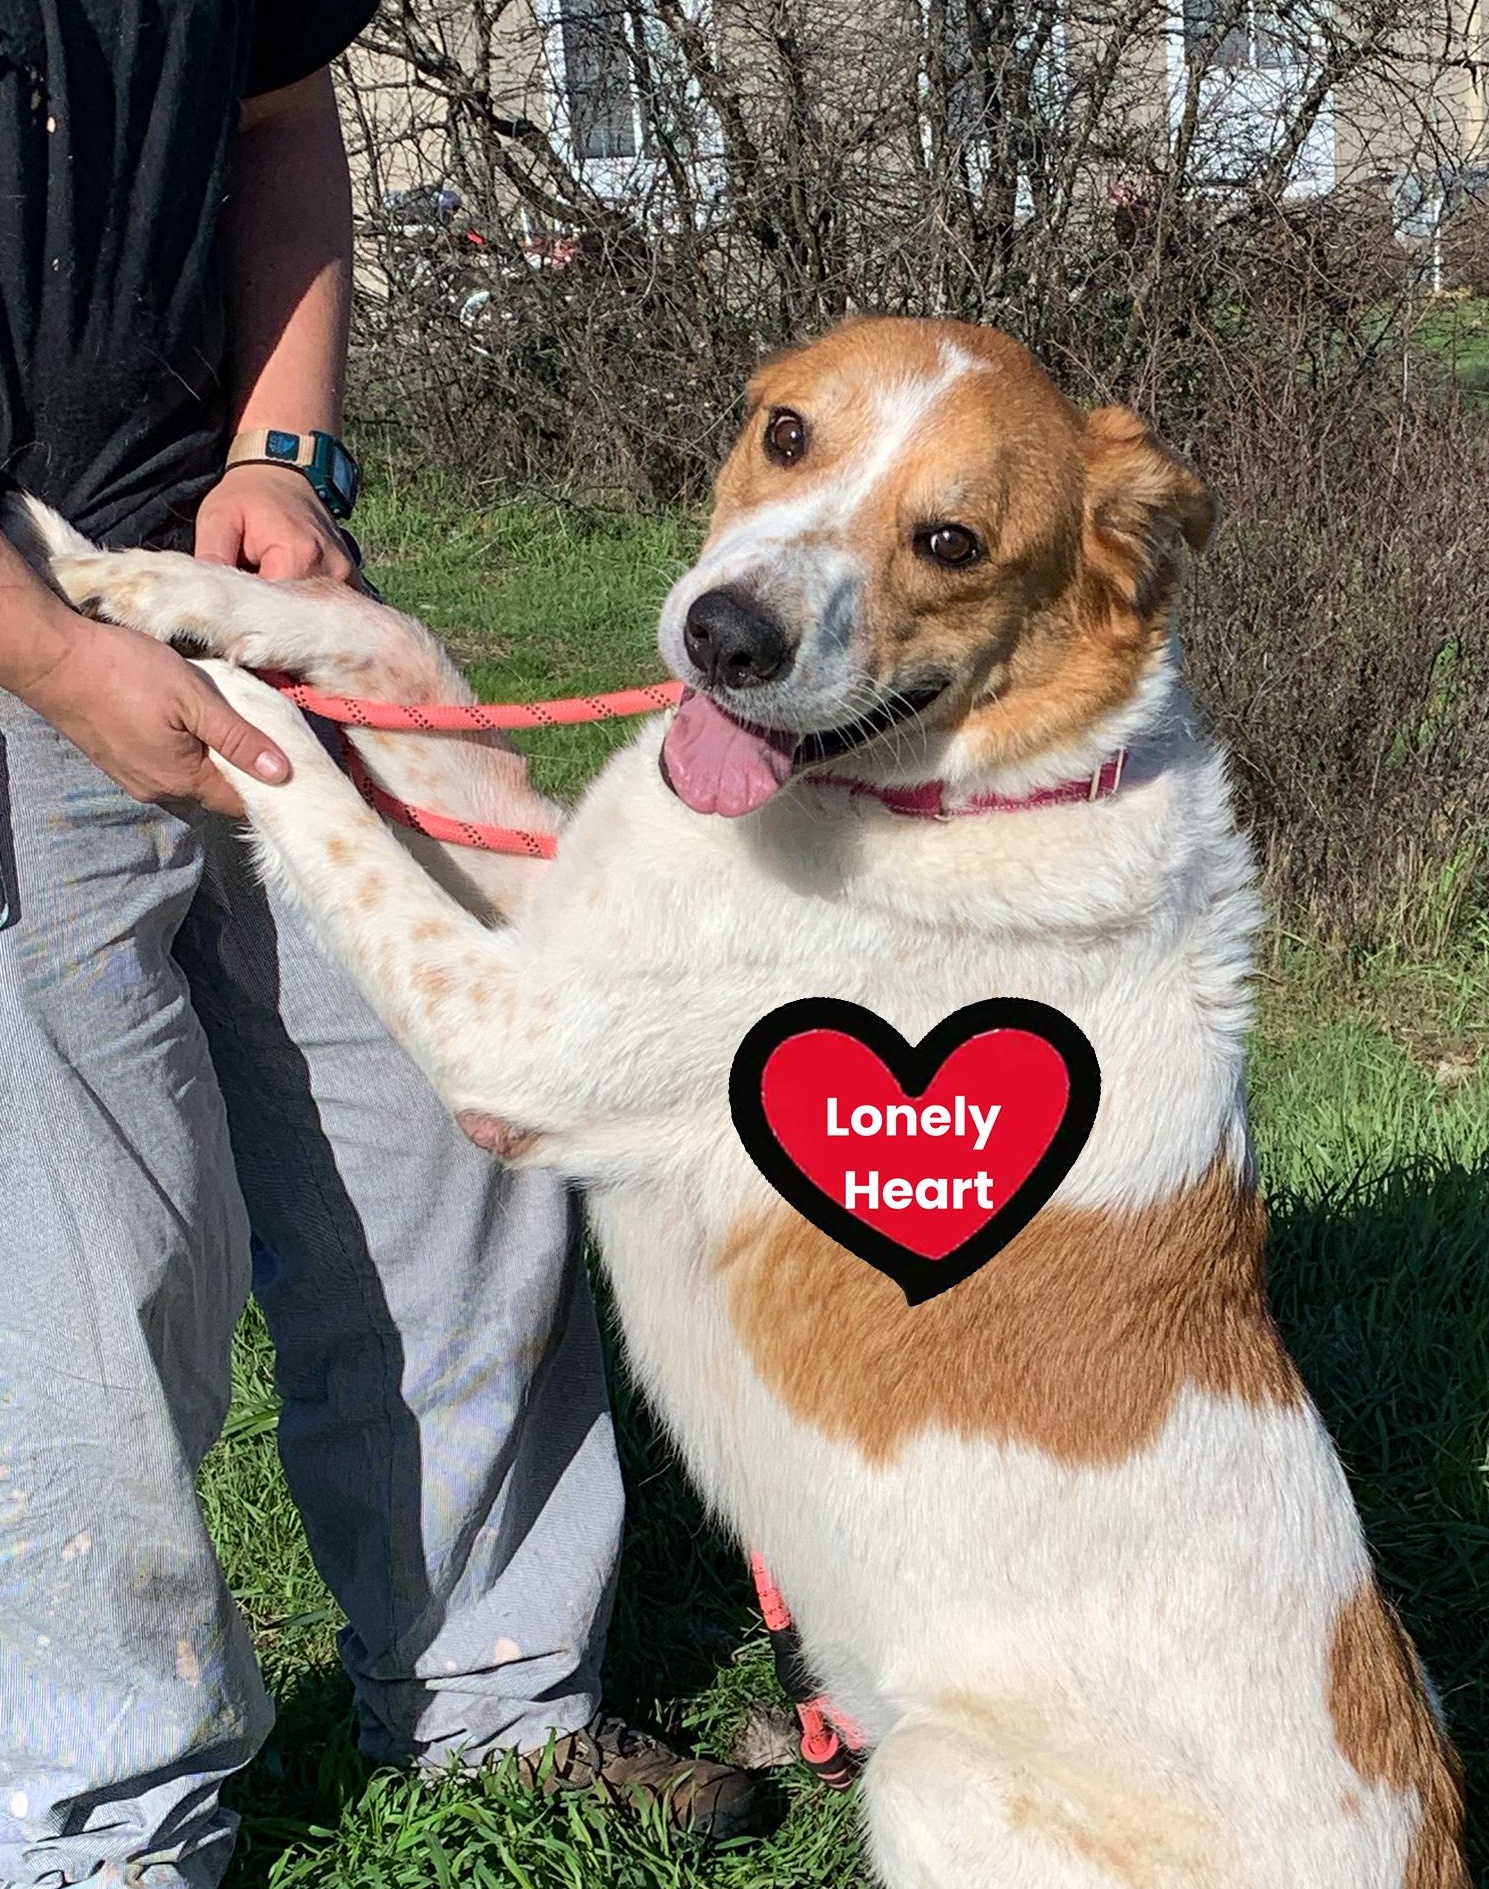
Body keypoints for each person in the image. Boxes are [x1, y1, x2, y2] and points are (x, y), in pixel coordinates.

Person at [0, 7, 753, 1883]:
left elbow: (271, 112)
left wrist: (284, 453)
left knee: (460, 1143)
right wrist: (53, 656)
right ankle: (108, 1819)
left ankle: (497, 1701)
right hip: (24, 618)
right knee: (93, 1268)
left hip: (237, 582)